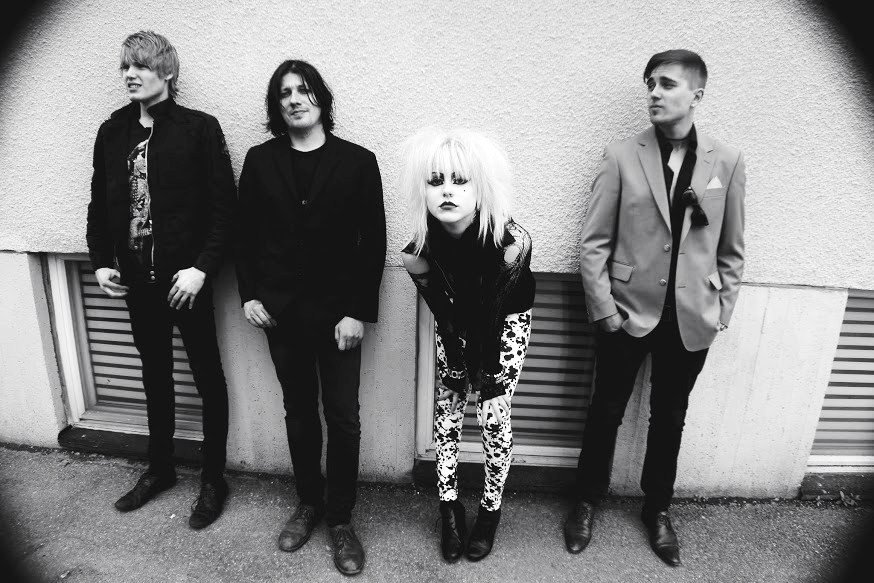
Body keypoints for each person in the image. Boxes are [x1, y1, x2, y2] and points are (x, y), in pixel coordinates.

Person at [565, 49, 746, 566]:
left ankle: (658, 509)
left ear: (696, 94)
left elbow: (732, 247)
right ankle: (586, 501)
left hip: (692, 316)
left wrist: (722, 309)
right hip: (625, 311)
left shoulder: (727, 161)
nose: (654, 93)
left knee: (671, 416)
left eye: (667, 84)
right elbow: (593, 242)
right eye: (650, 84)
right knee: (605, 411)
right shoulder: (622, 155)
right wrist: (603, 308)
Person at [235, 60, 385, 576]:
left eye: (304, 90)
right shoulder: (260, 161)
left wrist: (358, 312)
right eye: (284, 94)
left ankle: (340, 518)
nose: (295, 99)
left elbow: (373, 243)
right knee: (298, 411)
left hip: (339, 315)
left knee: (343, 417)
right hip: (281, 313)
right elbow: (245, 236)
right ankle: (308, 503)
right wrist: (249, 296)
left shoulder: (358, 162)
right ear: (276, 106)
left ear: (321, 98)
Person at [86, 31, 236, 529]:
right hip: (137, 281)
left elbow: (225, 209)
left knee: (207, 378)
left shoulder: (199, 129)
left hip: (185, 282)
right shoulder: (113, 131)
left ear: (167, 72)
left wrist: (201, 269)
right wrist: (100, 261)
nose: (130, 74)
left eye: (141, 66)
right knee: (155, 375)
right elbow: (99, 204)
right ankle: (161, 468)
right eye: (125, 66)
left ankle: (213, 479)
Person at [400, 127, 535, 563]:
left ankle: (491, 511)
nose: (447, 191)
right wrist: (456, 368)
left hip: (504, 326)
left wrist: (489, 382)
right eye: (435, 180)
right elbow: (446, 315)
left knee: (493, 418)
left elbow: (493, 316)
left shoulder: (513, 243)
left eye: (460, 180)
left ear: (482, 187)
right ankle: (449, 508)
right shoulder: (417, 252)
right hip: (457, 327)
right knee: (448, 410)